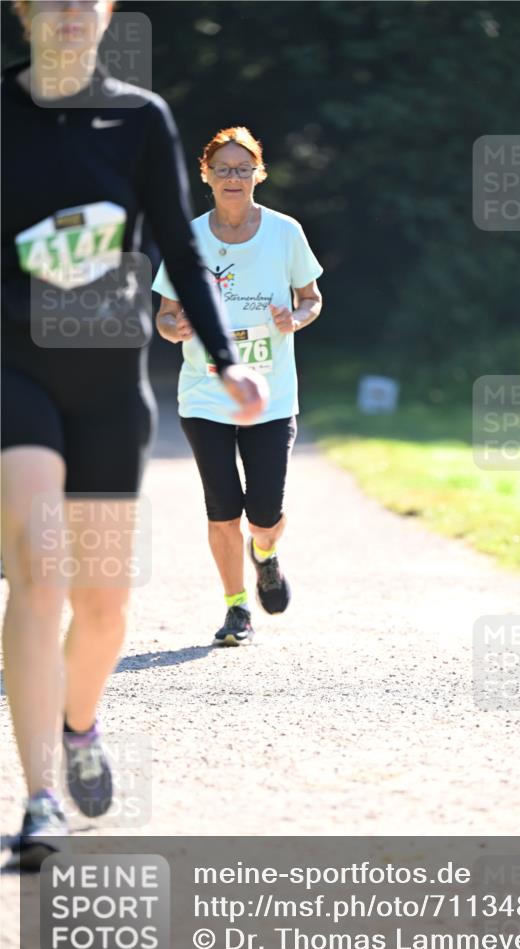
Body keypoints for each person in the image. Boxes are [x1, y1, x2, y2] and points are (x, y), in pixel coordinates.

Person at [1, 0, 268, 867]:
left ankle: (82, 726)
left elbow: (182, 251)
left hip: (111, 382)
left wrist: (224, 357)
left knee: (106, 608)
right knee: (40, 572)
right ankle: (40, 798)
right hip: (13, 372)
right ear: (23, 10)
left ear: (106, 13)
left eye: (87, 0)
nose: (71, 14)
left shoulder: (140, 118)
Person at [153, 126, 323, 646]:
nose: (233, 177)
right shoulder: (189, 238)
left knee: (263, 516)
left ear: (259, 175)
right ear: (206, 175)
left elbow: (312, 298)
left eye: (242, 168)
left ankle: (266, 554)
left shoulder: (285, 232)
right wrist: (174, 327)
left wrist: (295, 318)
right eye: (223, 169)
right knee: (222, 510)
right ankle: (236, 609)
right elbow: (164, 315)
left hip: (270, 396)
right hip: (205, 394)